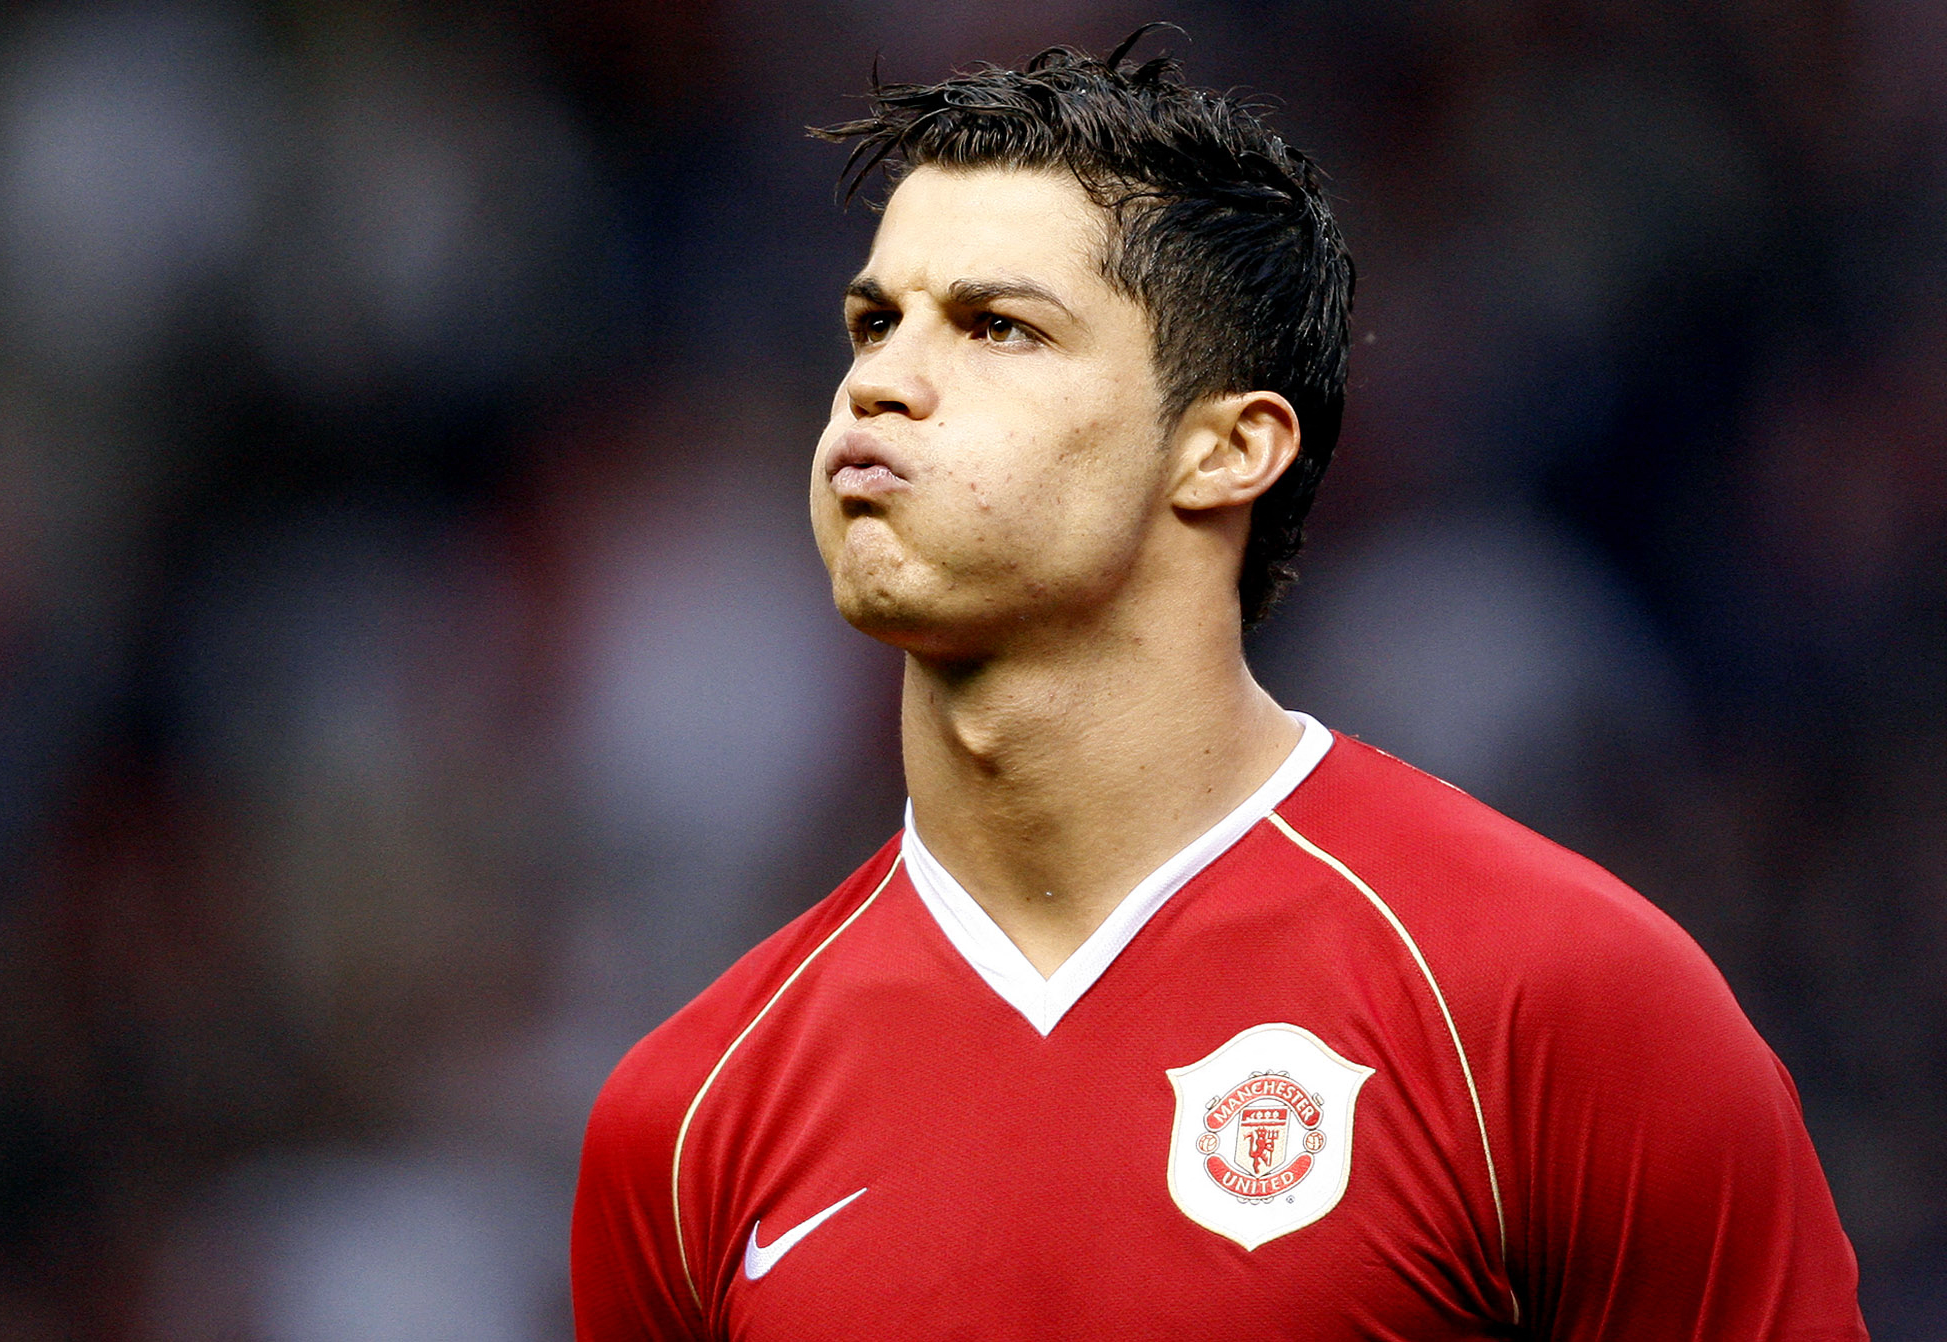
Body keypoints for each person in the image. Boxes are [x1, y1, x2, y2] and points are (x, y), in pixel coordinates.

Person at [571, 33, 1866, 1340]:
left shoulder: (1560, 1006)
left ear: (1226, 448)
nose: (883, 385)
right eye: (874, 321)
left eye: (997, 326)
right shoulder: (684, 1123)